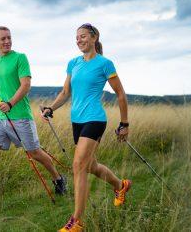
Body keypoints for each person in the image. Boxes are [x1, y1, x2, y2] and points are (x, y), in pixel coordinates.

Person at [41, 23, 131, 231]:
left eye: (83, 36)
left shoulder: (105, 64)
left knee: (78, 165)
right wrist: (51, 108)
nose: (79, 40)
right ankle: (120, 185)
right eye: (77, 37)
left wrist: (124, 123)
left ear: (94, 37)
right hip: (77, 121)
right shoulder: (73, 63)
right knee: (90, 166)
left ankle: (77, 222)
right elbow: (65, 93)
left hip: (95, 119)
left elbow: (120, 94)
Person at [0, 26, 67, 213]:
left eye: (9, 38)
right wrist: (2, 102)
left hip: (20, 115)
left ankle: (58, 179)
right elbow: (2, 88)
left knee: (35, 153)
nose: (7, 41)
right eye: (3, 39)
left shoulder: (20, 58)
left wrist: (11, 103)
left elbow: (26, 85)